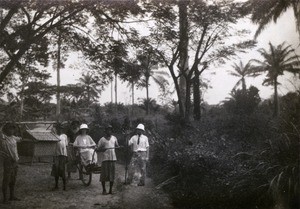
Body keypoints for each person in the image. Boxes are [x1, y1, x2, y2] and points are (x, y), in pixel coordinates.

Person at [0, 123, 21, 204]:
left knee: (13, 178)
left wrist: (18, 129)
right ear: (6, 130)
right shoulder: (3, 138)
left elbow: (21, 138)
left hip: (15, 161)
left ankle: (12, 196)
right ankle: (5, 199)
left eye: (13, 129)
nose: (12, 131)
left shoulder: (14, 138)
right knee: (7, 179)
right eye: (10, 129)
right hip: (8, 161)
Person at [97, 125, 119, 195]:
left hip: (112, 158)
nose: (109, 131)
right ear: (105, 131)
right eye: (107, 130)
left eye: (110, 130)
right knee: (104, 175)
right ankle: (104, 190)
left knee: (111, 175)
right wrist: (102, 149)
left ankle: (110, 190)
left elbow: (117, 146)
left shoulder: (114, 138)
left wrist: (119, 147)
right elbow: (98, 149)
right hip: (105, 159)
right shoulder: (102, 139)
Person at [53, 124, 68, 190]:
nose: (60, 130)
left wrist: (67, 156)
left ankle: (64, 186)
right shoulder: (53, 136)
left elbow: (66, 146)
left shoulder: (64, 136)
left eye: (61, 128)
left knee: (62, 169)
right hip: (56, 155)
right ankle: (56, 185)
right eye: (58, 128)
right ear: (56, 129)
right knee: (56, 169)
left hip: (63, 155)